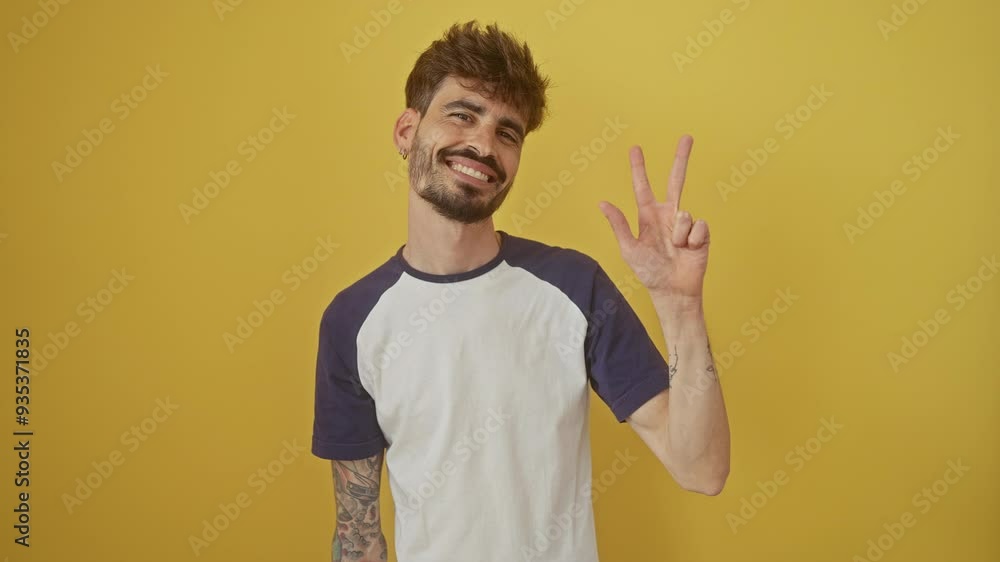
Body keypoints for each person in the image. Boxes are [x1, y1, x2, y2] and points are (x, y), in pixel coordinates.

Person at [312, 20, 730, 562]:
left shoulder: (575, 287)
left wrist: (680, 308)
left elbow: (702, 468)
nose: (484, 144)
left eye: (507, 133)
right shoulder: (352, 320)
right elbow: (358, 534)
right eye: (462, 114)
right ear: (406, 132)